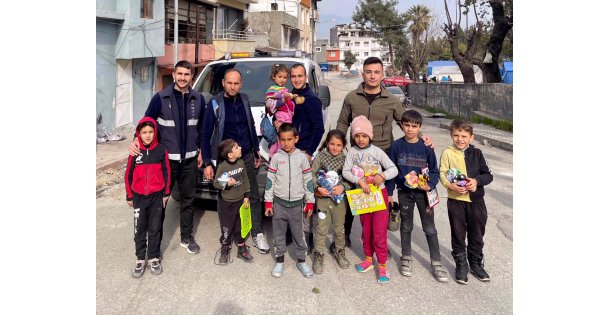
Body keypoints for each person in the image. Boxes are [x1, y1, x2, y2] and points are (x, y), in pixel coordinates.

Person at [335, 56, 432, 248]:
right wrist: (338, 146)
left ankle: (380, 244)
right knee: (352, 198)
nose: (372, 76)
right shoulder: (352, 98)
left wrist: (422, 137)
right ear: (363, 73)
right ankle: (344, 237)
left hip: (382, 157)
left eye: (376, 72)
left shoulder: (391, 100)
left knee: (381, 202)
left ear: (382, 74)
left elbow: (404, 122)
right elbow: (342, 123)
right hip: (357, 158)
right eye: (369, 72)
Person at [128, 60, 205, 255]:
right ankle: (155, 244)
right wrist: (136, 141)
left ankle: (186, 238)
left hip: (189, 160)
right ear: (173, 75)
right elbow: (147, 122)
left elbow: (202, 129)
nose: (182, 78)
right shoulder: (160, 98)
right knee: (159, 203)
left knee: (188, 201)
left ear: (191, 77)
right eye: (179, 74)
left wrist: (202, 151)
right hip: (166, 162)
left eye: (186, 74)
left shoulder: (198, 99)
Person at [200, 68, 270, 255]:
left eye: (236, 83)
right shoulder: (214, 103)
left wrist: (256, 151)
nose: (232, 86)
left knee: (252, 194)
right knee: (224, 197)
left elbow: (251, 126)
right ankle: (227, 235)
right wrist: (208, 162)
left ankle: (256, 233)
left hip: (246, 155)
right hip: (224, 160)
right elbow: (205, 134)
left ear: (241, 84)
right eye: (229, 82)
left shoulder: (245, 100)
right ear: (223, 83)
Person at [386, 110, 449, 283]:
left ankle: (436, 262)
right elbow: (391, 171)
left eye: (414, 126)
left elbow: (435, 170)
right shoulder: (396, 146)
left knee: (429, 228)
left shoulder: (426, 147)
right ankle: (406, 257)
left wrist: (430, 185)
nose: (410, 129)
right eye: (406, 125)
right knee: (406, 226)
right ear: (402, 126)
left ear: (420, 127)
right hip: (405, 194)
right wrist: (390, 193)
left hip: (424, 194)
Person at [342, 116, 398, 284]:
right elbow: (346, 171)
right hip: (362, 197)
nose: (360, 139)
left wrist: (382, 176)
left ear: (370, 136)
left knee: (379, 232)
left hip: (378, 196)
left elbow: (393, 169)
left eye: (364, 136)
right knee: (366, 231)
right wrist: (358, 181)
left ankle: (381, 264)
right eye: (357, 136)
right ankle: (368, 258)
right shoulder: (352, 152)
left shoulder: (377, 151)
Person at [439, 118, 494, 285]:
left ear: (471, 137)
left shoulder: (477, 153)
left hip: (476, 201)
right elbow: (442, 172)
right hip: (456, 201)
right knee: (458, 232)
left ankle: (476, 262)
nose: (460, 139)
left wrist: (476, 181)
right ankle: (461, 264)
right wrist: (451, 185)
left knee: (477, 233)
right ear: (451, 135)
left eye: (464, 136)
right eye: (456, 135)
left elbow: (488, 175)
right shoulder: (448, 152)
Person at [264, 123, 315, 278]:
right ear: (279, 140)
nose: (286, 143)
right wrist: (268, 202)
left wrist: (310, 201)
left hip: (297, 205)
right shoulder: (276, 158)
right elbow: (270, 181)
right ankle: (279, 261)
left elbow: (308, 181)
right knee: (278, 234)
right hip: (279, 204)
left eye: (289, 139)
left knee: (299, 235)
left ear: (296, 139)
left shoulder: (302, 158)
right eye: (283, 140)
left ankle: (301, 260)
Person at [125, 117, 171, 277]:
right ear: (139, 133)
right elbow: (128, 174)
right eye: (144, 132)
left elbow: (167, 173)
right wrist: (129, 196)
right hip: (138, 197)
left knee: (154, 228)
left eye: (151, 132)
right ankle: (140, 259)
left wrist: (166, 194)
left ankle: (153, 257)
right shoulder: (135, 151)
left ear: (155, 132)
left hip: (157, 197)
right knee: (139, 229)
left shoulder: (161, 150)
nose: (147, 135)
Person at [289, 63, 326, 252]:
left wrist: (309, 152)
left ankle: (308, 235)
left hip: (304, 153)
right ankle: (291, 232)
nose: (296, 79)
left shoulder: (312, 99)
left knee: (306, 196)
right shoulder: (289, 97)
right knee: (290, 194)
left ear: (306, 78)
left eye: (299, 76)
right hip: (289, 152)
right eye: (293, 76)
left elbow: (319, 129)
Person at [310, 129, 352, 274]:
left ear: (343, 145)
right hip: (322, 199)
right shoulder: (320, 157)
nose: (335, 147)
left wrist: (343, 187)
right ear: (327, 143)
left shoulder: (346, 160)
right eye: (332, 144)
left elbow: (351, 179)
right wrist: (318, 187)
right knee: (321, 228)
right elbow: (311, 174)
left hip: (339, 201)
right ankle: (318, 254)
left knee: (339, 228)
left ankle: (339, 250)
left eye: (338, 145)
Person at [213, 139, 254, 265]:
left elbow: (246, 180)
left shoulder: (241, 163)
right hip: (227, 203)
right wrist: (227, 183)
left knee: (240, 225)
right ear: (230, 155)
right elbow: (216, 183)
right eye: (236, 147)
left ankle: (241, 247)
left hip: (241, 201)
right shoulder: (223, 167)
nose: (240, 147)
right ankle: (225, 247)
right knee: (227, 226)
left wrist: (247, 196)